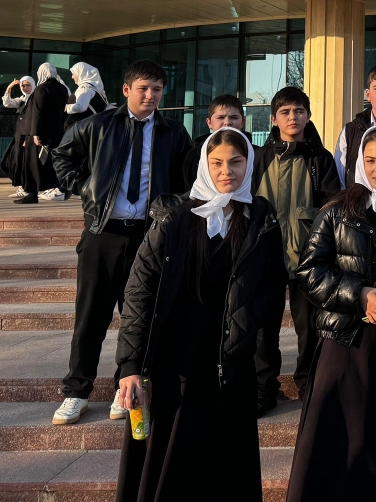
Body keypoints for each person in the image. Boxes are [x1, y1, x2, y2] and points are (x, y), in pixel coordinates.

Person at [113, 128, 287, 502]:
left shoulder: (260, 218)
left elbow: (274, 285)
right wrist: (130, 365)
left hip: (231, 362)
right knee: (173, 463)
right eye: (217, 163)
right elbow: (139, 292)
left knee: (226, 468)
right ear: (204, 166)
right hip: (176, 362)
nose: (227, 171)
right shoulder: (174, 217)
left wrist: (247, 321)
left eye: (236, 162)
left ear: (249, 165)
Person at [288, 126, 376, 502]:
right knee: (335, 441)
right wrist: (360, 294)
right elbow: (309, 272)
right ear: (358, 163)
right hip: (343, 340)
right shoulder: (337, 210)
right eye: (370, 160)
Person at [49, 59, 195, 426]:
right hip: (103, 235)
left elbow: (187, 180)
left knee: (139, 315)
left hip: (147, 237)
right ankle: (77, 391)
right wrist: (84, 188)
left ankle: (124, 386)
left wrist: (170, 212)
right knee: (90, 316)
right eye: (143, 88)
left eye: (157, 90)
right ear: (127, 90)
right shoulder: (99, 125)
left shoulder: (174, 133)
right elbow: (61, 155)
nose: (150, 95)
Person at [250, 86, 342, 412]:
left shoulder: (321, 159)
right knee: (263, 329)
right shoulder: (258, 158)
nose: (293, 117)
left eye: (299, 111)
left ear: (308, 116)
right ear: (273, 119)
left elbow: (332, 208)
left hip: (309, 259)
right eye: (286, 112)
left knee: (310, 328)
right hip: (266, 258)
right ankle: (263, 387)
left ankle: (309, 384)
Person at [23, 63, 70, 203]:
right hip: (58, 131)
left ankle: (33, 192)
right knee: (54, 161)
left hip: (42, 132)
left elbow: (38, 112)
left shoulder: (41, 88)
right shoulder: (62, 88)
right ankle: (57, 187)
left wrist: (35, 133)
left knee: (34, 162)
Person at [181, 95, 247, 181]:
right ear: (209, 123)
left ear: (243, 122)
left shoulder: (256, 154)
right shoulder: (194, 156)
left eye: (234, 117)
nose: (227, 122)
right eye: (221, 117)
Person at [1, 76, 36, 200]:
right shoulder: (22, 99)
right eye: (23, 86)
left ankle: (26, 188)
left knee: (24, 162)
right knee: (7, 162)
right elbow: (7, 103)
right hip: (19, 135)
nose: (26, 88)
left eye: (28, 85)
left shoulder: (35, 100)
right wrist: (9, 88)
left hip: (28, 136)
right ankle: (22, 185)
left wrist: (29, 138)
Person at [64, 62, 108, 131]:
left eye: (74, 74)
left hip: (81, 130)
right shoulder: (95, 89)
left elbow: (81, 107)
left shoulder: (84, 88)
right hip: (91, 128)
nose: (72, 77)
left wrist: (68, 107)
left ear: (81, 73)